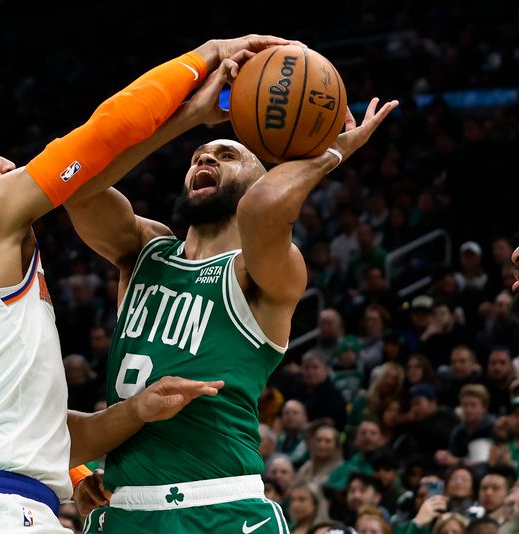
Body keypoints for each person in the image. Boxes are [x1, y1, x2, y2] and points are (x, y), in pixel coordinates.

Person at [0, 35, 284, 534]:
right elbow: (101, 136)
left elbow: (44, 431)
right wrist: (205, 58)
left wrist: (134, 413)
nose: (8, 165)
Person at [61, 68, 397, 529]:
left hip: (221, 507)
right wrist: (185, 117)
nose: (207, 159)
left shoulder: (261, 272)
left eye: (227, 155)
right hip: (125, 508)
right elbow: (76, 182)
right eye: (199, 155)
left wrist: (332, 152)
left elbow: (262, 207)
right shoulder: (145, 249)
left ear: (260, 178)